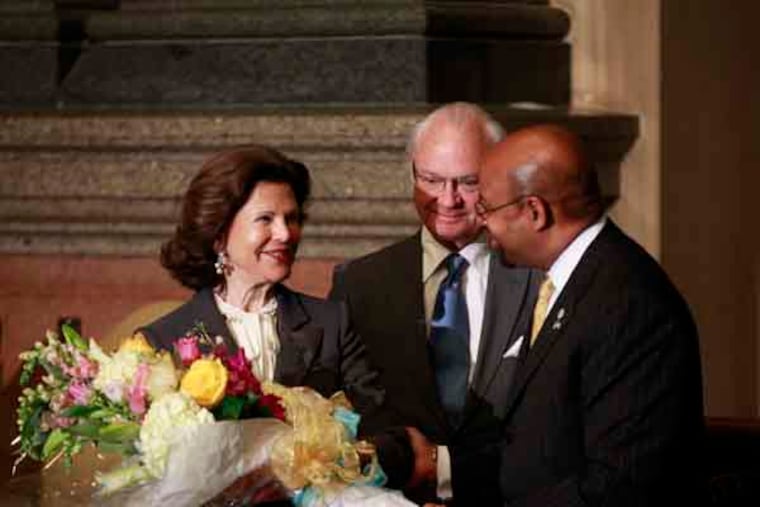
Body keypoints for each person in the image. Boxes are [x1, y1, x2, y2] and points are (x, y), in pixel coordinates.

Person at [138, 145, 413, 490]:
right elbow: (148, 468)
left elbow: (391, 436)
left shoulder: (332, 323)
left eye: (292, 218)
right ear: (219, 233)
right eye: (266, 219)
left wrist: (331, 461)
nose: (285, 234)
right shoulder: (163, 342)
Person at [478, 124, 705, 506]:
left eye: (486, 207)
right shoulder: (570, 279)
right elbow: (542, 443)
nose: (480, 221)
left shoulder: (628, 303)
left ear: (534, 211)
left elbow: (620, 485)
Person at [330, 103, 537, 505]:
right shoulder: (360, 284)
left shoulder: (538, 277)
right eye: (431, 179)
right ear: (412, 174)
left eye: (467, 182)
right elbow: (345, 417)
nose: (448, 199)